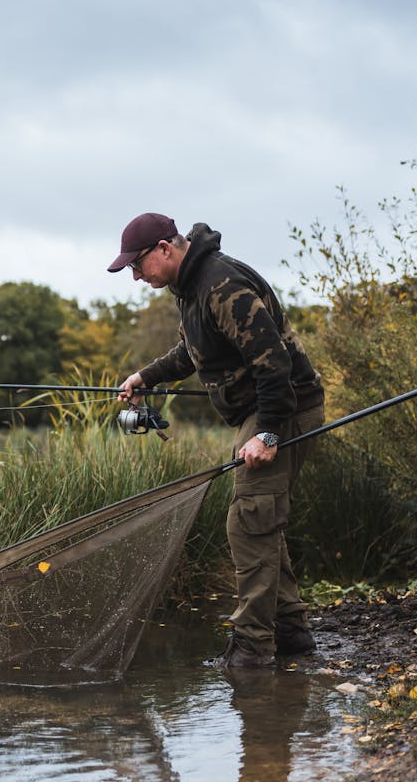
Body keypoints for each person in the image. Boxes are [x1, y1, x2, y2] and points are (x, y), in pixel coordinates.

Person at [108, 212, 325, 668]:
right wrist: (147, 376)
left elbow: (273, 363)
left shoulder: (220, 284)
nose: (135, 275)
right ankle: (291, 631)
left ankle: (251, 649)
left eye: (137, 264)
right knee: (259, 518)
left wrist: (267, 433)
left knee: (249, 521)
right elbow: (192, 352)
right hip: (260, 411)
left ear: (165, 249)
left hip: (284, 408)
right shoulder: (189, 288)